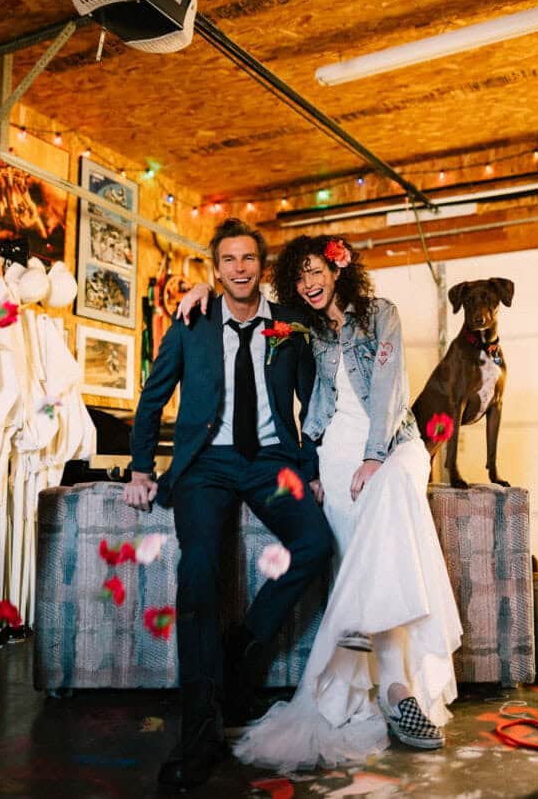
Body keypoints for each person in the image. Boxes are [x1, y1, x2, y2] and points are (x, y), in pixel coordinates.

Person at [178, 234, 462, 771]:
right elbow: (246, 311)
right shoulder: (300, 328)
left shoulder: (381, 314)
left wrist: (377, 455)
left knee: (394, 490)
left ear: (337, 269)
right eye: (300, 276)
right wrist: (200, 289)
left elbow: (389, 388)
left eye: (317, 272)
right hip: (333, 448)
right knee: (355, 549)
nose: (309, 284)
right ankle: (395, 689)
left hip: (391, 442)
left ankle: (397, 684)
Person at [123, 218, 334, 790]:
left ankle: (243, 647)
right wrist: (142, 466)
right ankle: (199, 732)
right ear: (215, 269)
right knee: (197, 570)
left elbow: (314, 401)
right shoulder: (192, 321)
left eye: (248, 259)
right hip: (206, 465)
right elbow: (154, 392)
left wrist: (310, 470)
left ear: (260, 267)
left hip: (270, 462)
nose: (239, 268)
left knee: (316, 544)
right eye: (229, 260)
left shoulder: (290, 325)